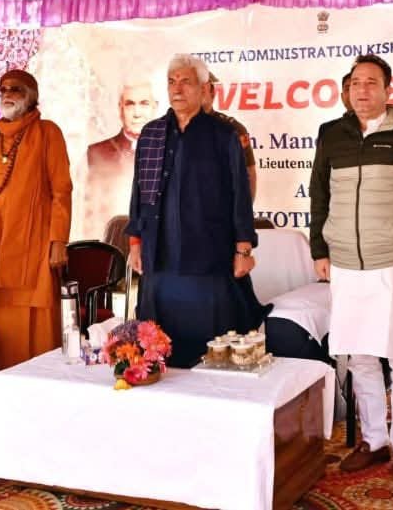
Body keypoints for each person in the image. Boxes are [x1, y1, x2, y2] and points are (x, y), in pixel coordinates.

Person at [310, 54, 393, 483]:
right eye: (355, 83)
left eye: (371, 82)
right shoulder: (331, 134)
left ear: (388, 90)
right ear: (347, 90)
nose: (362, 90)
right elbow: (319, 196)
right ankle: (373, 439)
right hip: (347, 265)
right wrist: (320, 249)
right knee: (360, 356)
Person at [127, 55, 265, 367]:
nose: (177, 89)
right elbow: (138, 192)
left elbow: (240, 196)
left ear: (204, 89)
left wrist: (243, 249)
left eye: (185, 82)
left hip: (209, 257)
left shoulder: (223, 134)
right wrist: (135, 242)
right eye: (172, 82)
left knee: (213, 346)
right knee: (160, 344)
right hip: (160, 256)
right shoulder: (151, 134)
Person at [0, 70, 72, 369]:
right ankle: (7, 383)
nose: (7, 94)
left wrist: (58, 241)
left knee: (38, 323)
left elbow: (61, 190)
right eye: (3, 89)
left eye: (15, 89)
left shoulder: (48, 132)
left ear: (31, 96)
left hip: (34, 246)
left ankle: (40, 382)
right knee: (4, 325)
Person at [85, 79, 156, 236]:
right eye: (130, 104)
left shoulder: (171, 151)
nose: (137, 113)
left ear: (154, 108)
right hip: (113, 238)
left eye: (144, 104)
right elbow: (91, 213)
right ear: (120, 108)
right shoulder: (97, 152)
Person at [202, 69, 257, 201]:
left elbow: (248, 174)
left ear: (212, 93)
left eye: (202, 89)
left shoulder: (233, 129)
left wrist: (244, 210)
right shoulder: (169, 129)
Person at [316, 71, 354, 142]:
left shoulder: (376, 128)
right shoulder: (326, 129)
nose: (352, 93)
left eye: (355, 88)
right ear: (342, 97)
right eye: (347, 89)